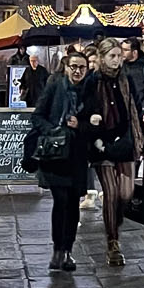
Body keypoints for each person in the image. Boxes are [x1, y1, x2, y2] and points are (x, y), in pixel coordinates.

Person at [25, 47, 98, 272]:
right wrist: (53, 131)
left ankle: (67, 251)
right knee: (61, 201)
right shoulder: (55, 85)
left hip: (77, 155)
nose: (77, 71)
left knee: (73, 203)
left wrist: (80, 125)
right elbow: (37, 116)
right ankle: (58, 250)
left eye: (82, 67)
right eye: (73, 67)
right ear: (66, 67)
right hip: (55, 155)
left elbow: (96, 122)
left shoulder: (91, 90)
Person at [88, 38, 144, 266]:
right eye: (112, 56)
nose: (117, 60)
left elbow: (135, 108)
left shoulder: (126, 79)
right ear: (102, 58)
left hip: (125, 142)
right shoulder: (93, 81)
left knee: (126, 194)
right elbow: (85, 108)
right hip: (102, 144)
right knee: (111, 193)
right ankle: (113, 242)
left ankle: (115, 219)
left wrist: (141, 138)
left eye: (119, 56)